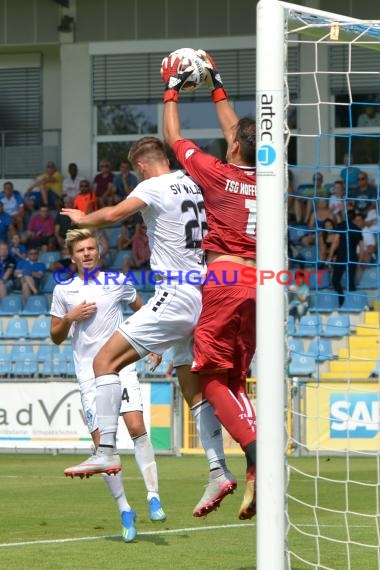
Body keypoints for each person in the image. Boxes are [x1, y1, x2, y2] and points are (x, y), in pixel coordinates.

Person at [61, 136, 235, 519]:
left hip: (174, 294)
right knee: (193, 387)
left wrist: (82, 217)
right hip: (203, 293)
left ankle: (104, 449)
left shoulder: (151, 185)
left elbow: (112, 216)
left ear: (141, 167)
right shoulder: (191, 181)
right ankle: (218, 468)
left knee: (104, 362)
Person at [161, 49, 257, 520]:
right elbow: (237, 131)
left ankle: (255, 458)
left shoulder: (216, 174)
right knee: (237, 379)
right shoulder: (271, 178)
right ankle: (258, 458)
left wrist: (172, 89)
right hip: (261, 283)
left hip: (222, 278)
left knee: (208, 376)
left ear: (234, 147)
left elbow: (172, 137)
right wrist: (216, 81)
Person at [50, 228, 166, 542]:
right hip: (89, 376)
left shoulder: (118, 281)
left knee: (136, 426)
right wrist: (70, 317)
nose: (86, 253)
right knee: (105, 446)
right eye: (80, 250)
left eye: (91, 248)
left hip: (121, 365)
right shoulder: (64, 290)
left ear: (98, 251)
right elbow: (55, 336)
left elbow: (141, 311)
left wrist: (154, 345)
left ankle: (153, 495)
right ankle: (125, 509)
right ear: (72, 257)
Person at [327, 211, 364, 305]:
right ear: (354, 218)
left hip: (342, 257)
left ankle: (341, 300)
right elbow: (362, 247)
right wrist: (359, 261)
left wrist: (330, 256)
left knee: (335, 280)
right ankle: (352, 304)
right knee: (351, 281)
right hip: (353, 258)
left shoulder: (341, 226)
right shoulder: (357, 229)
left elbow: (336, 241)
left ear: (344, 217)